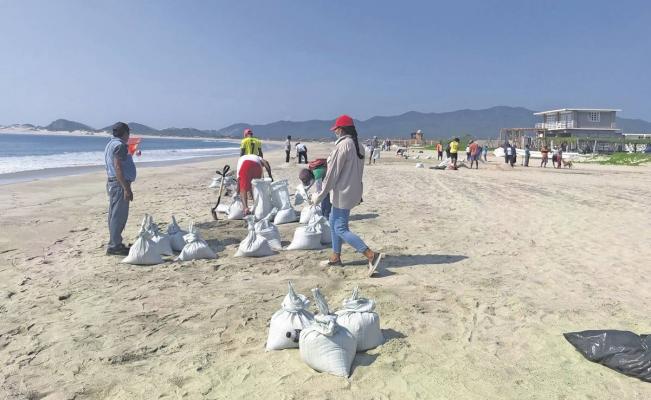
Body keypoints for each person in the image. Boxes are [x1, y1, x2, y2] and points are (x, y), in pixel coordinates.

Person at [311, 114, 383, 276]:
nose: (335, 132)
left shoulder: (343, 146)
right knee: (332, 220)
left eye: (336, 129)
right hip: (353, 190)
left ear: (341, 129)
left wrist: (320, 195)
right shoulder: (359, 145)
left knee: (340, 227)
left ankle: (371, 255)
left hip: (342, 193)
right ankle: (335, 257)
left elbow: (332, 174)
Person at [104, 122, 136, 256]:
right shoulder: (119, 146)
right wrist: (126, 188)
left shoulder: (110, 144)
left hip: (113, 182)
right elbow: (118, 167)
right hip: (119, 184)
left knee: (114, 214)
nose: (129, 136)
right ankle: (115, 245)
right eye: (128, 133)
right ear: (124, 133)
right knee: (119, 215)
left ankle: (114, 242)